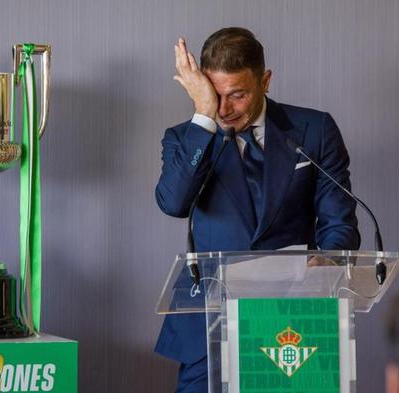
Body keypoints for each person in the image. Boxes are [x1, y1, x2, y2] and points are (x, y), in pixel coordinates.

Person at [154, 27, 361, 392]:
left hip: (295, 325)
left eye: (237, 95)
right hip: (206, 328)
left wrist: (327, 262)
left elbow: (339, 221)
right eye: (214, 95)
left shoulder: (315, 130)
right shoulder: (185, 139)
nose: (225, 109)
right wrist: (203, 117)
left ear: (265, 81)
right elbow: (173, 202)